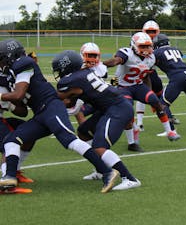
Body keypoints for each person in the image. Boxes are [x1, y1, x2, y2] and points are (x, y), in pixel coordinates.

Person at [0, 39, 118, 193]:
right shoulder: (11, 72)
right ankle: (9, 177)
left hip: (51, 106)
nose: (1, 63)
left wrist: (2, 97)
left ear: (10, 56)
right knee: (11, 140)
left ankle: (107, 171)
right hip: (40, 113)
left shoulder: (23, 63)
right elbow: (21, 106)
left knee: (69, 140)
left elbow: (18, 94)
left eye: (1, 59)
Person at [52, 50, 141, 190]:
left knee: (100, 147)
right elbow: (73, 102)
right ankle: (100, 171)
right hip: (109, 107)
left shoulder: (71, 80)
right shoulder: (83, 74)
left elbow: (62, 99)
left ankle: (129, 178)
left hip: (117, 108)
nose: (58, 73)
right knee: (83, 131)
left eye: (59, 69)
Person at [103, 32, 180, 143]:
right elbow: (115, 61)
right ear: (134, 45)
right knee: (128, 109)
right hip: (121, 85)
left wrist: (149, 91)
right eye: (142, 46)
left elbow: (146, 75)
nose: (146, 49)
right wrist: (101, 64)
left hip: (137, 85)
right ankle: (133, 137)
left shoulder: (151, 58)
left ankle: (169, 132)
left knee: (155, 101)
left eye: (148, 46)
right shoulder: (126, 53)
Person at [0, 68, 34, 193]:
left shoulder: (8, 78)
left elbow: (23, 112)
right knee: (9, 142)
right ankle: (7, 182)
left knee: (29, 132)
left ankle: (15, 171)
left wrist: (10, 104)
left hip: (2, 117)